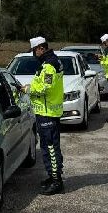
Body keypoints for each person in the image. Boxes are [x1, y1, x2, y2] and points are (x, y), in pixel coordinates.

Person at [27, 36, 65, 195]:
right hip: (46, 111)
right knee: (47, 146)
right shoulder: (48, 63)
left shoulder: (49, 65)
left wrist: (28, 90)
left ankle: (57, 181)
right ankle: (52, 176)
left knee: (50, 147)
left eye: (34, 51)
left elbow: (46, 87)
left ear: (40, 48)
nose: (34, 54)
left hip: (48, 112)